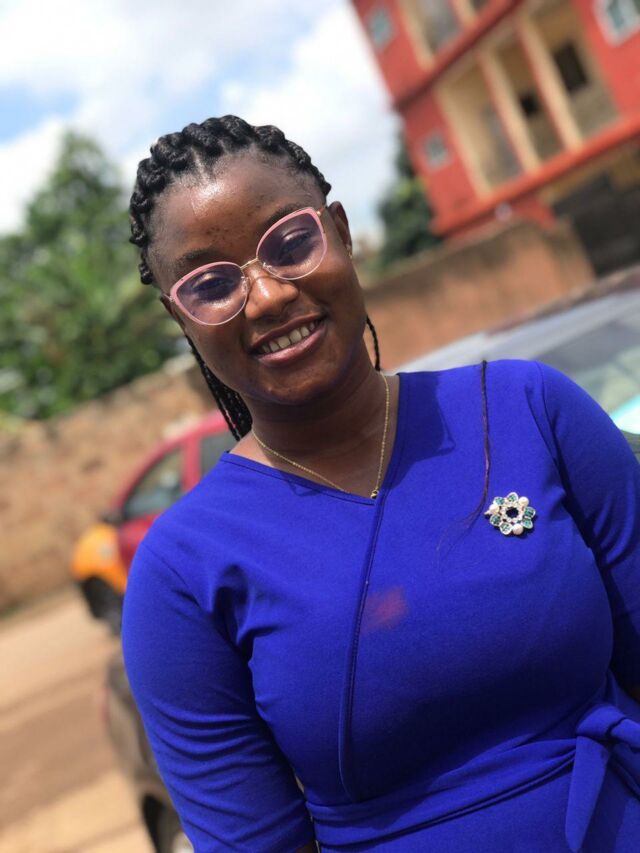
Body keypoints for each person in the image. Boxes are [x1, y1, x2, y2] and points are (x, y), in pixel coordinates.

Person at [122, 115, 640, 852]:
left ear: (339, 231)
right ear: (182, 317)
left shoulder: (528, 410)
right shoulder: (181, 574)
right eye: (211, 284)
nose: (266, 296)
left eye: (290, 244)